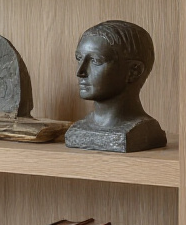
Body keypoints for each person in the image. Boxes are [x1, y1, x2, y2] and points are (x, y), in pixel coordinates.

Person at [65, 19, 166, 153]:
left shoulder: (139, 131)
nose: (80, 72)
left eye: (96, 61)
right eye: (79, 59)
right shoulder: (78, 128)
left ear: (133, 71)